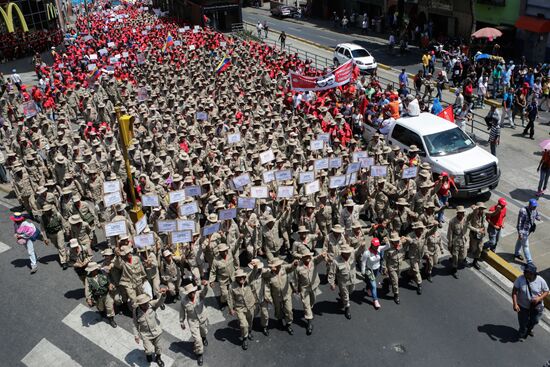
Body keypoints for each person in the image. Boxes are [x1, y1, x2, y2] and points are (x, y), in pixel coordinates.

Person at [512, 263, 549, 339]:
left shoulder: (540, 280)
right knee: (523, 321)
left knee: (535, 320)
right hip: (522, 306)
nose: (523, 273)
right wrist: (515, 304)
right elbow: (514, 292)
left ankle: (529, 328)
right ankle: (522, 331)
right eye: (524, 271)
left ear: (531, 274)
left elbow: (546, 291)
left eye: (526, 272)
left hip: (536, 306)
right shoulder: (520, 279)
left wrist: (539, 298)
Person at [133, 291, 167, 367]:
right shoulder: (136, 312)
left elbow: (160, 301)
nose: (146, 304)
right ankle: (148, 355)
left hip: (156, 331)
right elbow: (135, 324)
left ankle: (158, 358)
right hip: (146, 335)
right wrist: (136, 335)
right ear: (140, 305)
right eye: (144, 304)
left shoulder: (152, 305)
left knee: (159, 347)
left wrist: (163, 295)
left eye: (146, 302)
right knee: (149, 351)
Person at [180, 282, 209, 366]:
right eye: (190, 293)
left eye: (193, 292)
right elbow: (182, 312)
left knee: (204, 332)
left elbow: (205, 291)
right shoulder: (184, 301)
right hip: (193, 321)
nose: (192, 294)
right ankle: (199, 354)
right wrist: (181, 322)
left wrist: (206, 286)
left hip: (202, 318)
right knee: (197, 340)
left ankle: (204, 337)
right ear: (187, 293)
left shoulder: (199, 294)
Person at [228, 268, 257, 349]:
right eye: (239, 277)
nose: (242, 278)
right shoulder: (232, 286)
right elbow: (230, 298)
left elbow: (253, 274)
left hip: (250, 305)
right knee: (244, 325)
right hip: (240, 308)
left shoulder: (247, 280)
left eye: (243, 276)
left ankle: (249, 331)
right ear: (236, 278)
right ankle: (244, 338)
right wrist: (231, 308)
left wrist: (255, 268)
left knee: (250, 321)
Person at [85, 261, 118, 328]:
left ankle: (111, 319)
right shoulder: (88, 278)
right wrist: (88, 298)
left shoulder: (103, 272)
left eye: (95, 269)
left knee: (109, 307)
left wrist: (110, 284)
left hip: (106, 294)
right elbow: (87, 289)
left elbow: (109, 279)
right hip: (97, 296)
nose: (95, 271)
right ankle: (102, 314)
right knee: (100, 307)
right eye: (93, 270)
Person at [361, 237, 389, 309]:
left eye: (378, 245)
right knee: (373, 285)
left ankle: (368, 288)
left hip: (377, 269)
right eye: (375, 245)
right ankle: (375, 300)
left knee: (369, 281)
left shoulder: (379, 248)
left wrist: (387, 241)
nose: (377, 247)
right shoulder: (367, 253)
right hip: (369, 270)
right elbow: (363, 262)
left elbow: (388, 246)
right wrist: (363, 271)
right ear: (372, 245)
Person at [514, 199, 541, 263]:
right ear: (529, 205)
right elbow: (520, 223)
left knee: (520, 241)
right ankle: (529, 261)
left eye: (535, 206)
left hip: (528, 230)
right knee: (526, 246)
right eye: (533, 206)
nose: (535, 207)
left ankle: (516, 253)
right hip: (523, 231)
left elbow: (537, 215)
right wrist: (520, 233)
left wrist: (538, 217)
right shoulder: (523, 211)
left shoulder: (534, 210)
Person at [447, 206, 468, 278]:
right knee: (455, 255)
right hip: (455, 240)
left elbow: (469, 225)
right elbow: (450, 233)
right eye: (461, 213)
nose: (462, 214)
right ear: (458, 213)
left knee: (463, 256)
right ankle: (454, 269)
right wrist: (450, 243)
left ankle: (453, 260)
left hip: (463, 239)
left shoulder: (465, 219)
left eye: (463, 213)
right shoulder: (452, 221)